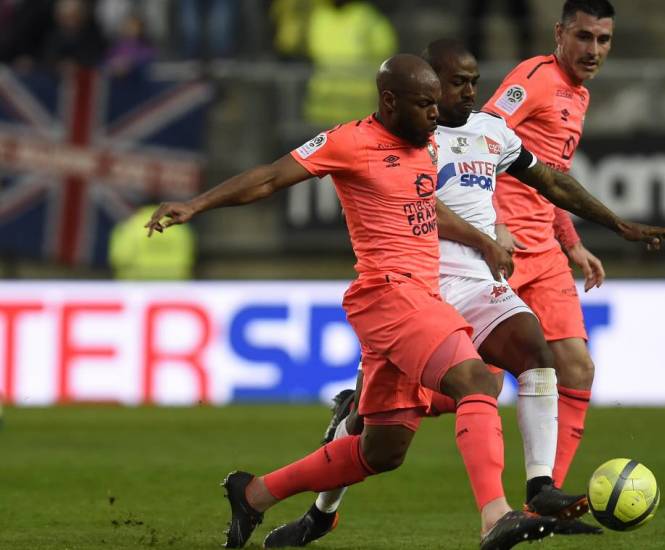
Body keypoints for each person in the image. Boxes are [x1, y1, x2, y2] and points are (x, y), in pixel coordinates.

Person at [270, 38, 665, 545]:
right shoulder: (408, 137)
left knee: (534, 351)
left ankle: (540, 485)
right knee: (372, 432)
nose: (470, 92)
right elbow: (418, 204)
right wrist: (484, 236)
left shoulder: (492, 132)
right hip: (419, 290)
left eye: (473, 82)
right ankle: (321, 513)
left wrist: (616, 225)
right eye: (457, 82)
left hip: (480, 285)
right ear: (429, 85)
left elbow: (551, 182)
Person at [144, 54, 556, 550]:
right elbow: (271, 177)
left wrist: (482, 239)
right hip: (389, 294)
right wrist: (196, 204)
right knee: (476, 381)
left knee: (383, 449)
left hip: (417, 298)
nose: (434, 114)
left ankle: (252, 494)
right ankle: (496, 516)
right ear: (389, 100)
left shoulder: (422, 145)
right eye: (424, 104)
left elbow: (424, 208)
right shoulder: (349, 142)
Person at [481, 0, 621, 492]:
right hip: (504, 248)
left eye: (603, 40)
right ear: (559, 33)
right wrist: (492, 223)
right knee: (471, 382)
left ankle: (547, 499)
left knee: (577, 367)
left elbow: (549, 178)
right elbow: (479, 139)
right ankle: (365, 407)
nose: (593, 50)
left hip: (544, 250)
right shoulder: (535, 79)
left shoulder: (577, 96)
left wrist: (572, 243)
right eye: (584, 37)